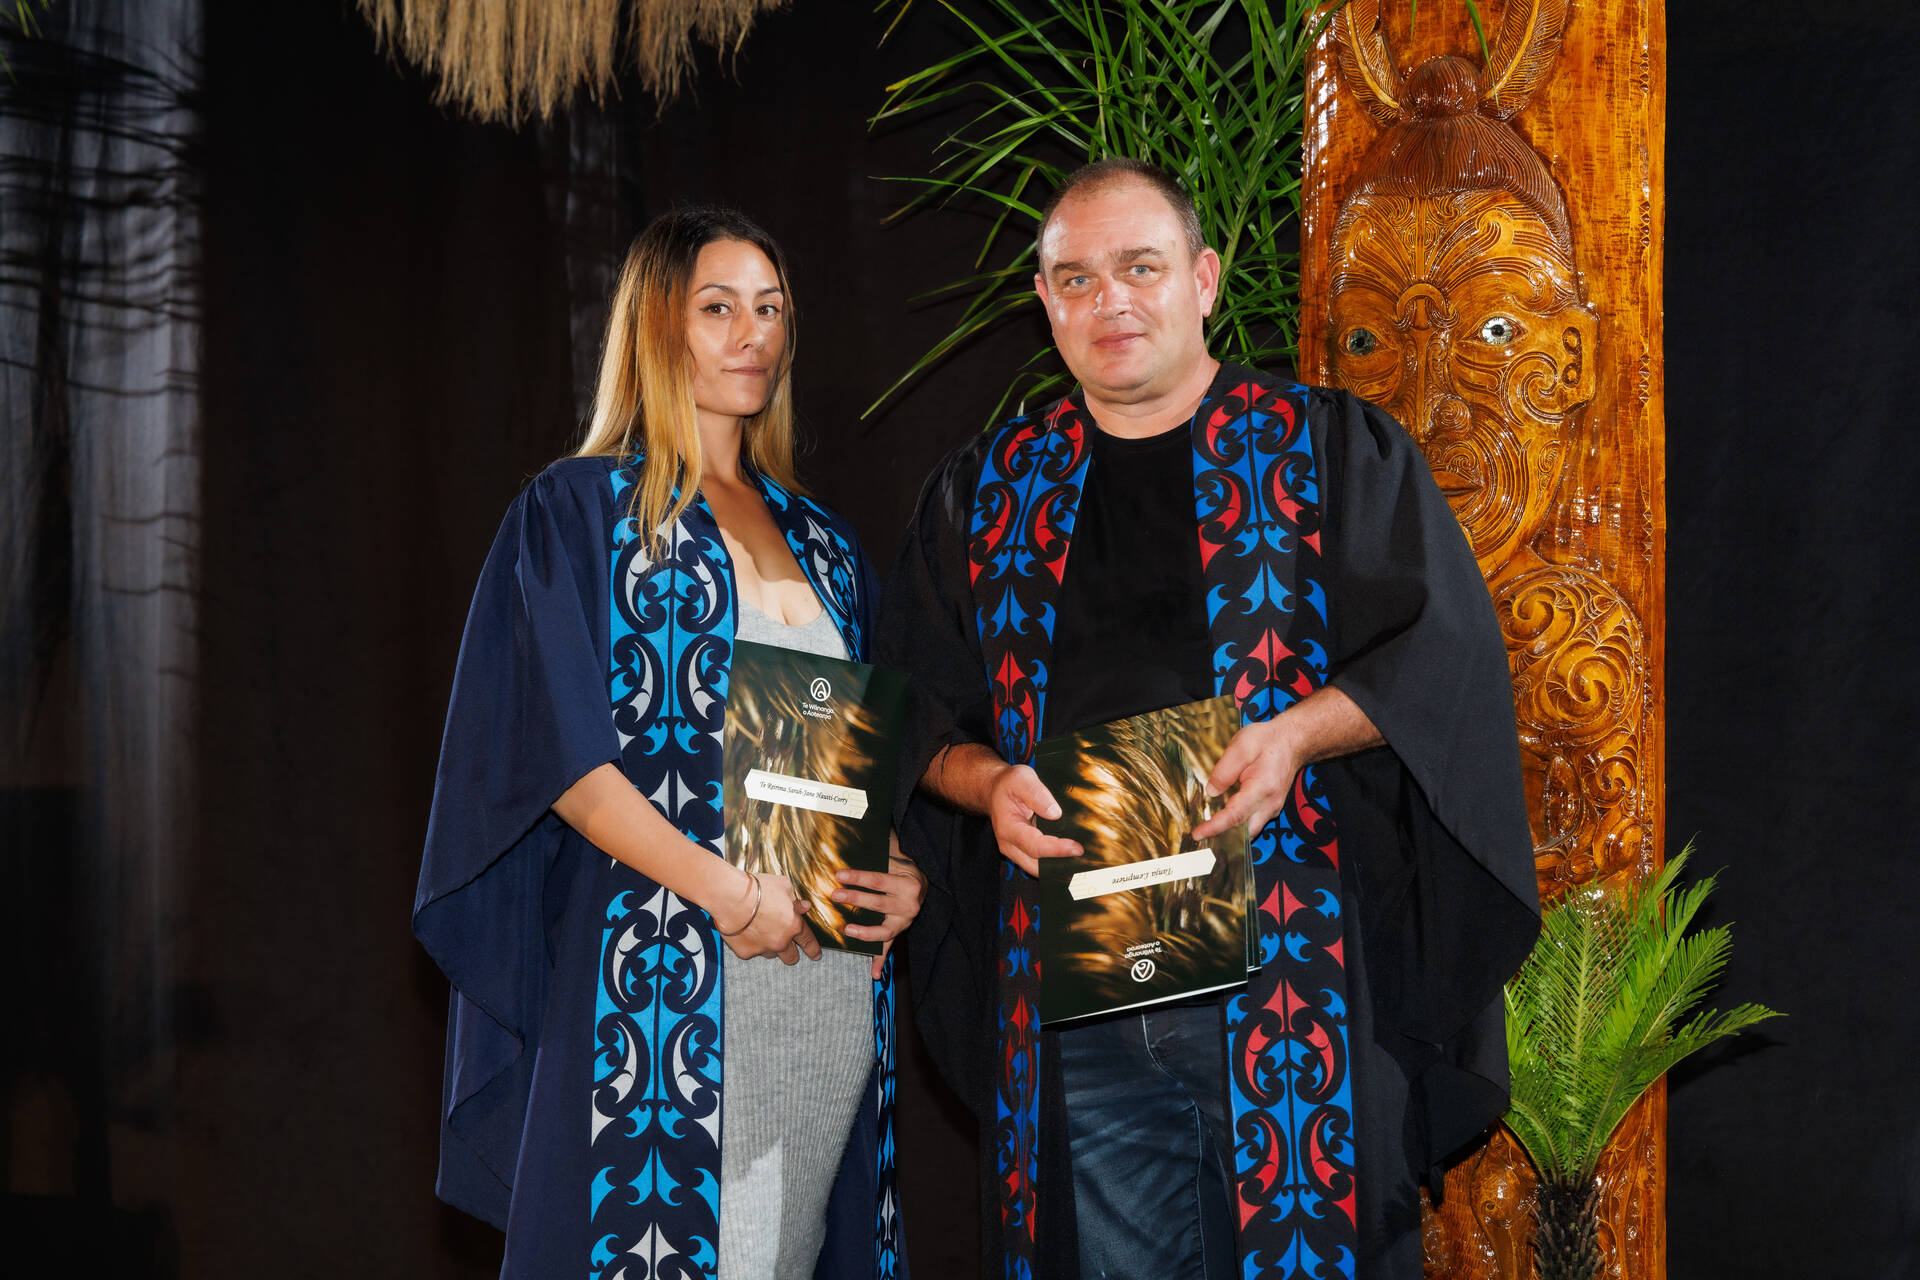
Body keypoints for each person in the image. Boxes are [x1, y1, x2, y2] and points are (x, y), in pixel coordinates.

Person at [879, 158, 1540, 1279]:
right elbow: (911, 708)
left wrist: (1294, 736)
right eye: (1076, 279)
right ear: (1045, 303)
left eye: (1140, 267)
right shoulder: (986, 492)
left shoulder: (1326, 452)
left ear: (1204, 280)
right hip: (1080, 991)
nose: (1111, 300)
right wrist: (985, 784)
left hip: (1289, 968)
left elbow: (1441, 652)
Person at [416, 207, 921, 1279]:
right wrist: (728, 895)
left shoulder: (828, 546)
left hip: (824, 995)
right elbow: (568, 769)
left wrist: (893, 869)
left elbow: (847, 773)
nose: (753, 333)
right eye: (718, 308)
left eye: (770, 309)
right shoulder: (579, 514)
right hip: (665, 982)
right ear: (658, 327)